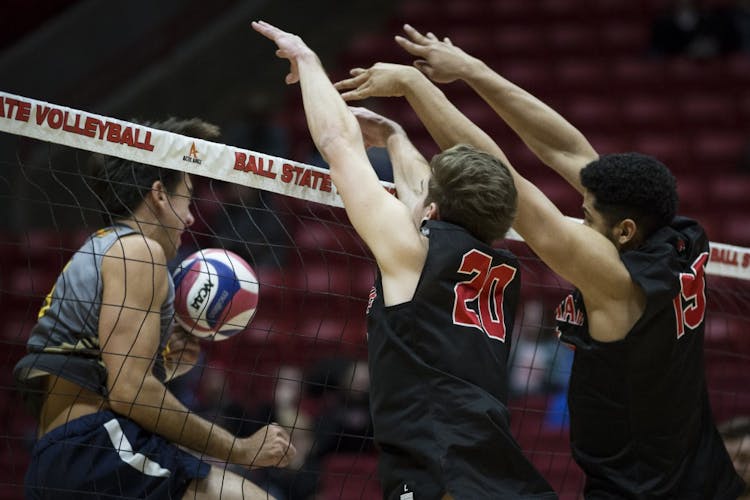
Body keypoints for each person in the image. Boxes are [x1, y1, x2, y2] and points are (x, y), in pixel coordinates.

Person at [334, 25, 747, 498]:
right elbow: (565, 148)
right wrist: (472, 71)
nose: (580, 217)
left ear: (624, 232)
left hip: (645, 489)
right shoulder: (679, 234)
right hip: (703, 474)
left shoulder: (616, 280)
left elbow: (508, 182)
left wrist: (415, 86)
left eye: (587, 216)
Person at [252, 20, 555, 499]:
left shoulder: (413, 252)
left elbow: (337, 144)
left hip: (443, 474)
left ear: (432, 208)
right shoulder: (500, 266)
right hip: (499, 470)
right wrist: (395, 137)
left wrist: (307, 59)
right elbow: (421, 190)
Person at [13, 117, 296, 499]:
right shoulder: (139, 251)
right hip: (99, 450)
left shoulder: (101, 246)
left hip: (63, 459)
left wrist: (167, 363)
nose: (192, 216)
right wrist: (240, 448)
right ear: (160, 195)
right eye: (188, 197)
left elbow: (97, 370)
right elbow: (130, 392)